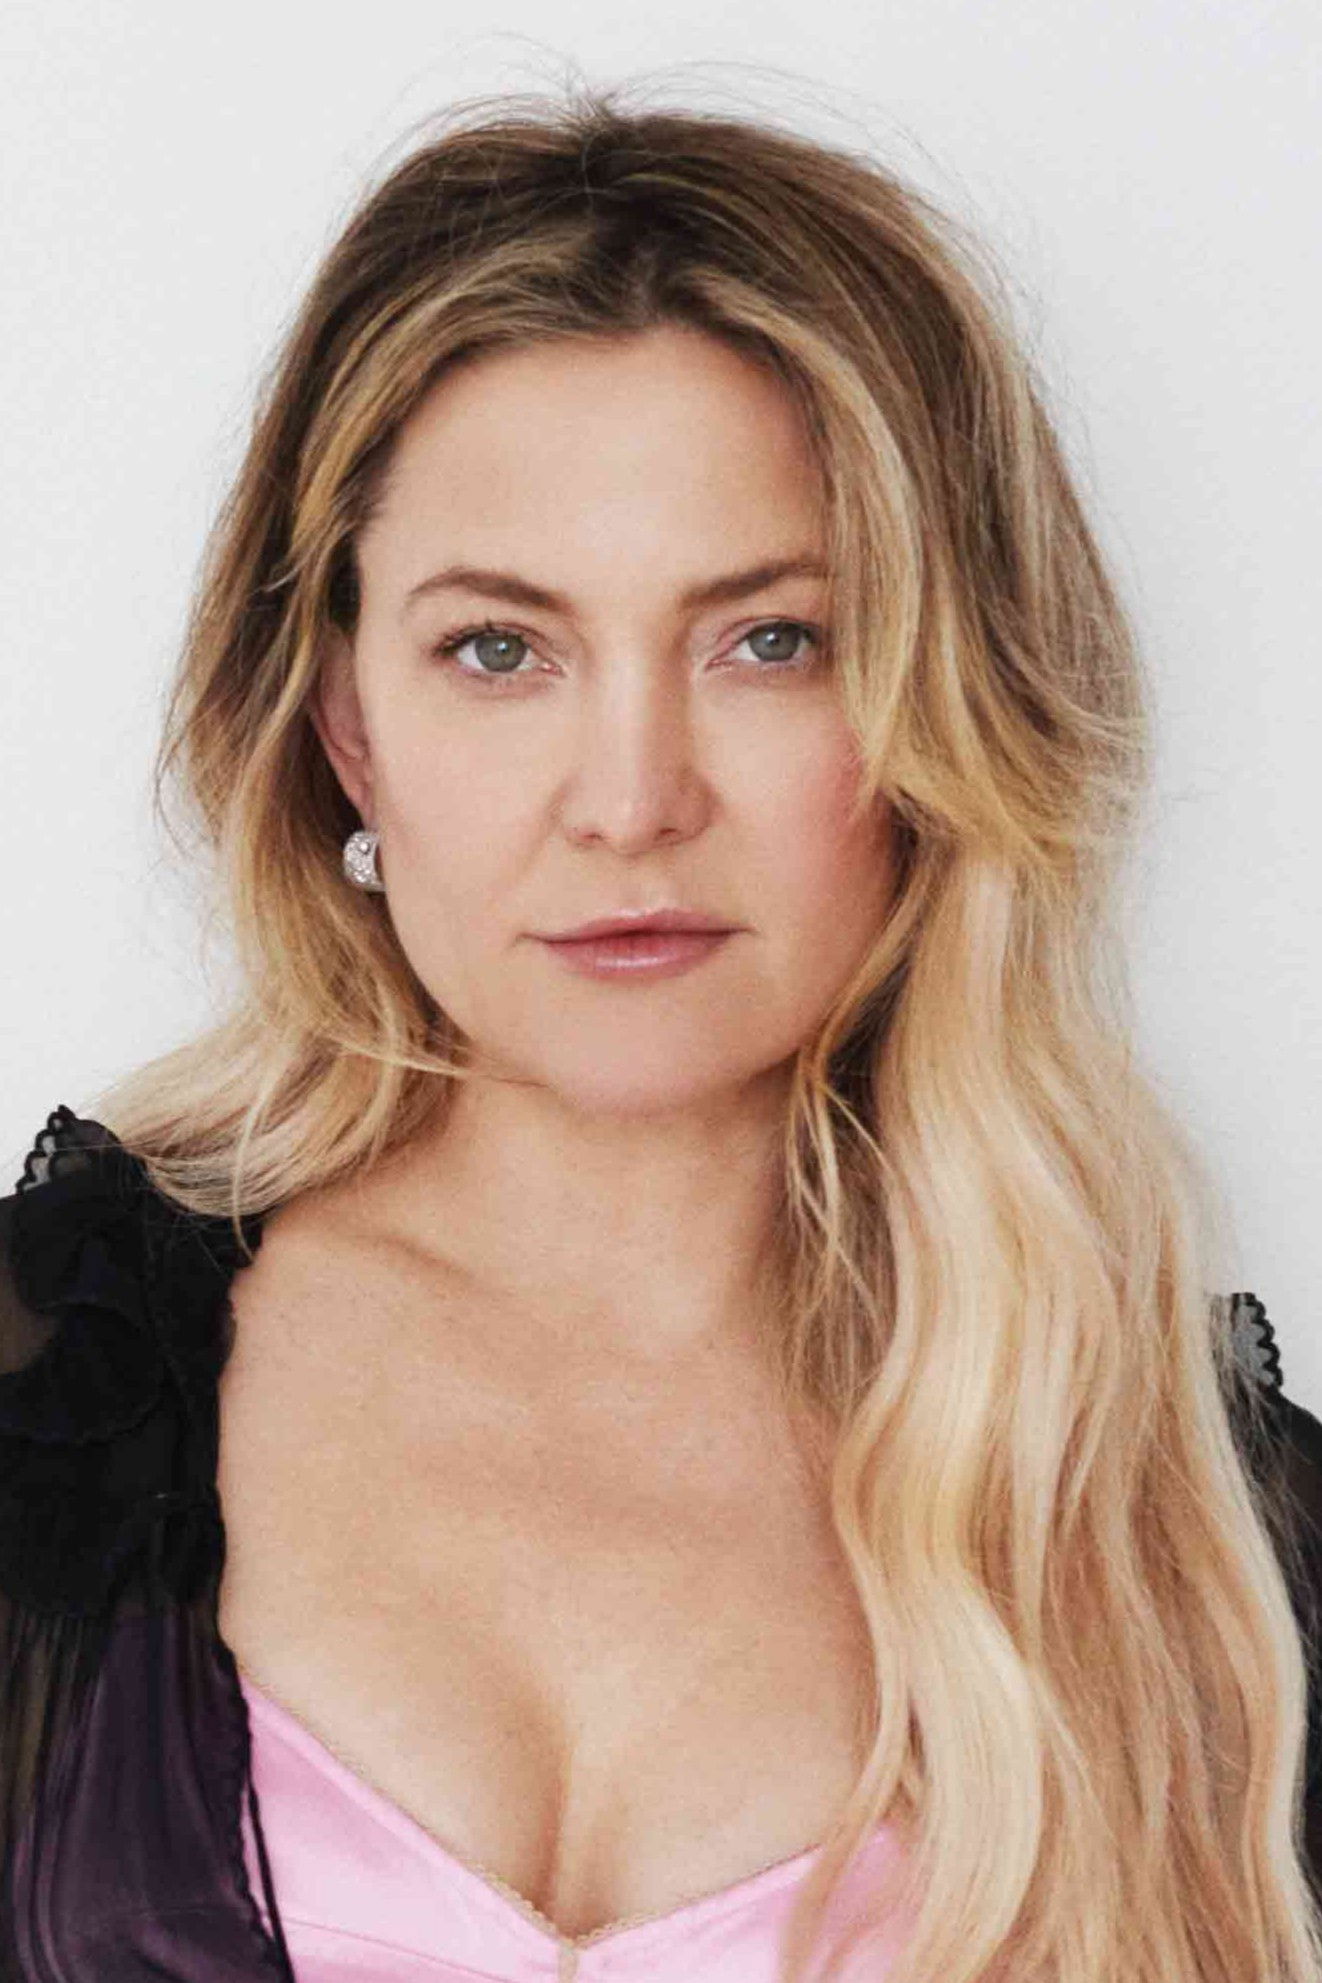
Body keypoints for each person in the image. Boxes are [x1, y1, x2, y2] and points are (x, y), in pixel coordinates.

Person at [1, 86, 1319, 1983]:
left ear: (946, 708)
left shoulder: (1204, 1547)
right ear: (346, 725)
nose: (630, 802)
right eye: (498, 649)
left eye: (770, 640)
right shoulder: (42, 1382)